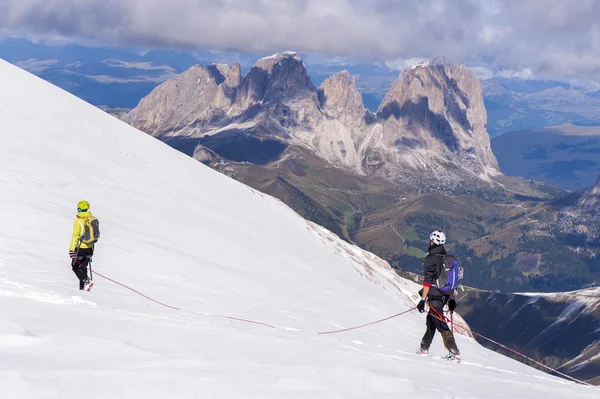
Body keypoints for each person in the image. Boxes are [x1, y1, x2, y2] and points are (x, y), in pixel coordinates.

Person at [416, 230, 460, 361]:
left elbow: (427, 281)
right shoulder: (447, 257)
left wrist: (422, 300)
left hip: (435, 295)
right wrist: (451, 299)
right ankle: (424, 348)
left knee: (440, 323)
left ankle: (454, 352)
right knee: (431, 322)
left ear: (432, 242)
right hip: (445, 295)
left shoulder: (430, 258)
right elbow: (450, 281)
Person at [69, 200, 95, 291]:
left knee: (75, 267)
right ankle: (84, 289)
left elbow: (75, 236)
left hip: (80, 248)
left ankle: (86, 281)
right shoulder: (92, 219)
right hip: (90, 249)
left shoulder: (78, 221)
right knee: (83, 267)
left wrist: (72, 250)